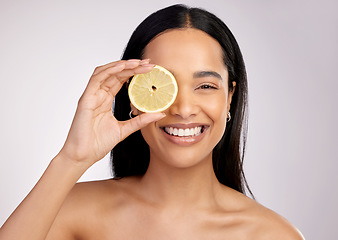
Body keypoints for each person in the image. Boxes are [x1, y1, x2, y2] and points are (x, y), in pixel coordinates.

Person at [0, 4, 304, 239]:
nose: (184, 109)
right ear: (134, 96)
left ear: (230, 97)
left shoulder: (272, 234)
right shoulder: (73, 211)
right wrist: (72, 158)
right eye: (162, 85)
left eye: (206, 86)